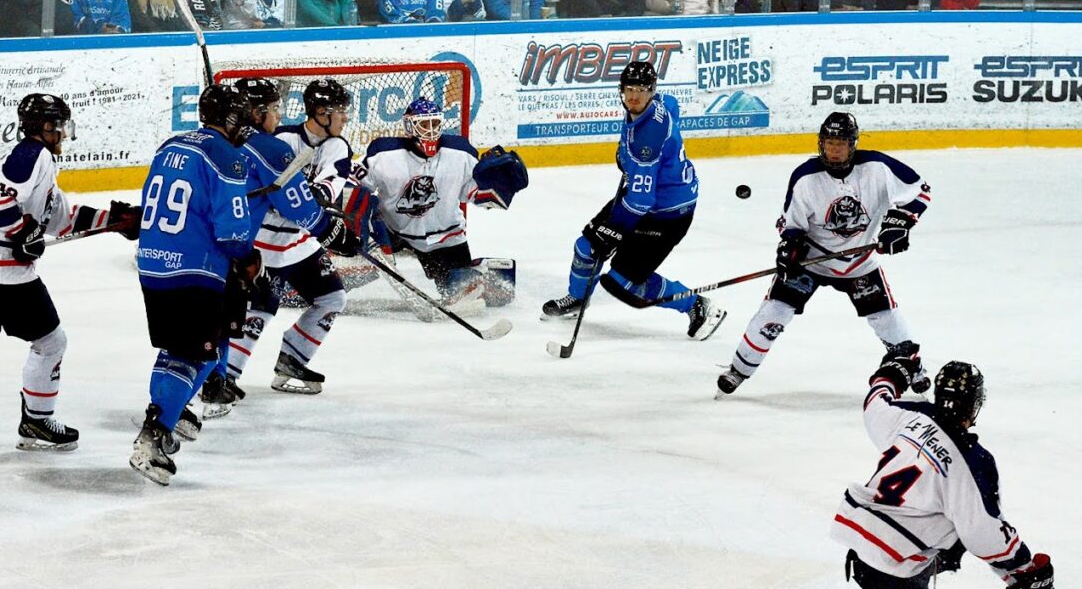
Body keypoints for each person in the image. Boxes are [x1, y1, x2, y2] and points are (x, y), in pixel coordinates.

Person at [0, 94, 140, 450]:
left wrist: (112, 221)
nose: (65, 134)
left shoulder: (38, 164)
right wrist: (20, 233)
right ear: (46, 127)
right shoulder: (32, 154)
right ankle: (37, 421)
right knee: (50, 342)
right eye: (61, 126)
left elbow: (61, 219)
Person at [716, 112, 933, 397]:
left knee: (885, 317)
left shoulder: (878, 167)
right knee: (774, 312)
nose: (834, 149)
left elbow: (920, 191)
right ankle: (738, 370)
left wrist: (900, 223)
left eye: (840, 143)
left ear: (853, 144)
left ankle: (913, 368)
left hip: (859, 264)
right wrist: (790, 248)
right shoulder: (805, 177)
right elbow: (790, 225)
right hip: (812, 262)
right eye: (829, 143)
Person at [833, 354, 1057, 589]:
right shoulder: (973, 461)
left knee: (952, 519)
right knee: (965, 517)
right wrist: (1024, 567)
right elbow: (982, 533)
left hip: (862, 545)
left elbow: (876, 403)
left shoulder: (911, 415)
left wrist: (893, 372)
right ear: (974, 404)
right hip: (896, 565)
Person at [542, 61, 726, 340]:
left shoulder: (647, 138)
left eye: (641, 90)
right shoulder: (659, 103)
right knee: (586, 248)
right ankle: (578, 298)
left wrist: (614, 228)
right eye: (629, 90)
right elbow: (673, 105)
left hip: (667, 212)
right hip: (644, 197)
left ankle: (696, 305)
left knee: (624, 282)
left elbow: (641, 199)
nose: (634, 97)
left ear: (651, 91)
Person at [129, 84, 254, 485]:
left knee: (186, 351)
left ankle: (173, 409)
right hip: (196, 270)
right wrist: (251, 259)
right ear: (232, 119)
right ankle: (153, 435)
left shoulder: (170, 145)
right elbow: (233, 234)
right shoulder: (227, 156)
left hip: (153, 264)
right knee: (195, 357)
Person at [222, 79, 363, 398]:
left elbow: (328, 186)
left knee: (332, 298)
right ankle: (226, 376)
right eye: (340, 112)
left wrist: (318, 202)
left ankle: (292, 359)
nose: (344, 118)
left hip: (301, 242)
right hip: (262, 243)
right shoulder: (280, 138)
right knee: (260, 309)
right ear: (322, 112)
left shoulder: (338, 147)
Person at [356, 98, 529, 306]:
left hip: (444, 236)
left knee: (462, 292)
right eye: (424, 124)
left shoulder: (460, 153)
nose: (431, 131)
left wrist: (498, 187)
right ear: (410, 126)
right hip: (392, 231)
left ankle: (482, 273)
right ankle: (322, 289)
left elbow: (475, 194)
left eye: (435, 124)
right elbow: (356, 187)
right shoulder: (383, 154)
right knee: (353, 263)